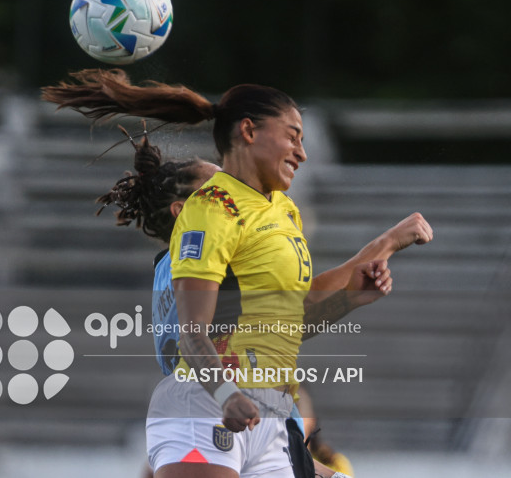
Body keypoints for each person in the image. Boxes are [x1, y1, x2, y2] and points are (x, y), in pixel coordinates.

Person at [42, 69, 433, 478]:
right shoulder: (212, 208)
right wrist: (226, 394)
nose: (302, 151)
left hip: (269, 415)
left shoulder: (282, 210)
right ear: (248, 130)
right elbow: (193, 332)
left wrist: (355, 287)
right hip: (209, 406)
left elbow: (284, 320)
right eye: (293, 135)